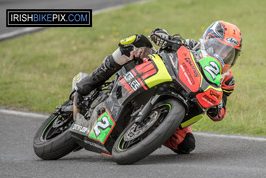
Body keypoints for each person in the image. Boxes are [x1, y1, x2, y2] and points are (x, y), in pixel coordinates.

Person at [74, 20, 242, 154]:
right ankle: (89, 83)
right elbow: (160, 36)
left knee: (186, 145)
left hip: (183, 105)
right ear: (209, 39)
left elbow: (220, 113)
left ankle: (149, 134)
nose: (224, 55)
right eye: (220, 47)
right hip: (158, 77)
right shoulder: (193, 46)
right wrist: (162, 36)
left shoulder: (226, 80)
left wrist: (217, 107)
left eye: (230, 53)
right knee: (136, 42)